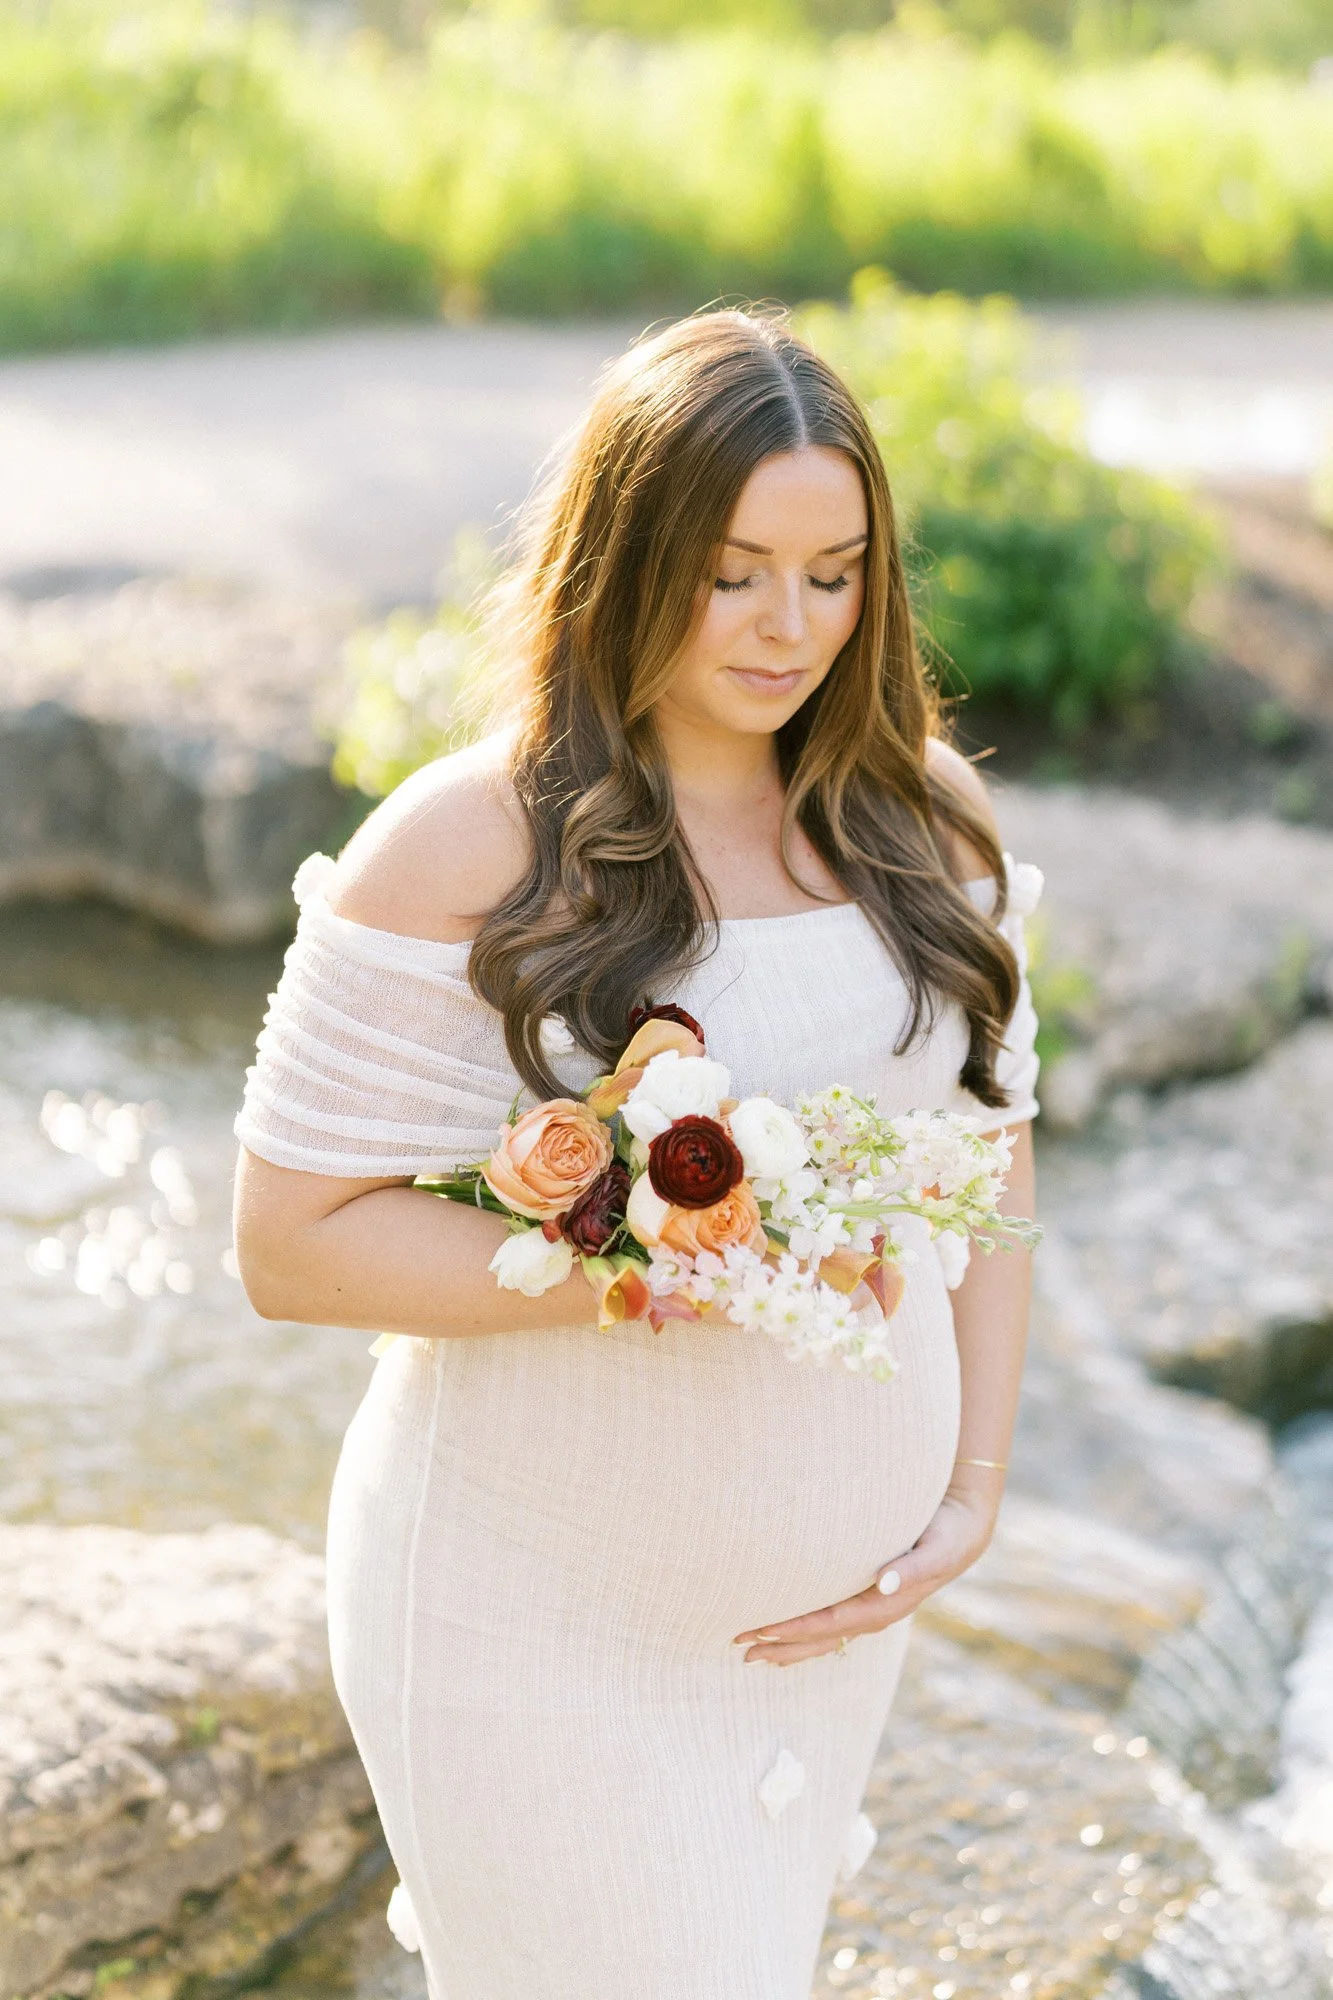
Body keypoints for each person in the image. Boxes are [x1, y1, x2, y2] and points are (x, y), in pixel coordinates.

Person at [232, 307, 1039, 2000]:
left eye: (834, 573)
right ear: (628, 550)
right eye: (733, 568)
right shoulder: (474, 839)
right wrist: (638, 1262)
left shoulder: (929, 830)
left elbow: (991, 1176)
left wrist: (970, 1495)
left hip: (820, 1643)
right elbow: (288, 1245)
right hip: (529, 1624)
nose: (789, 624)